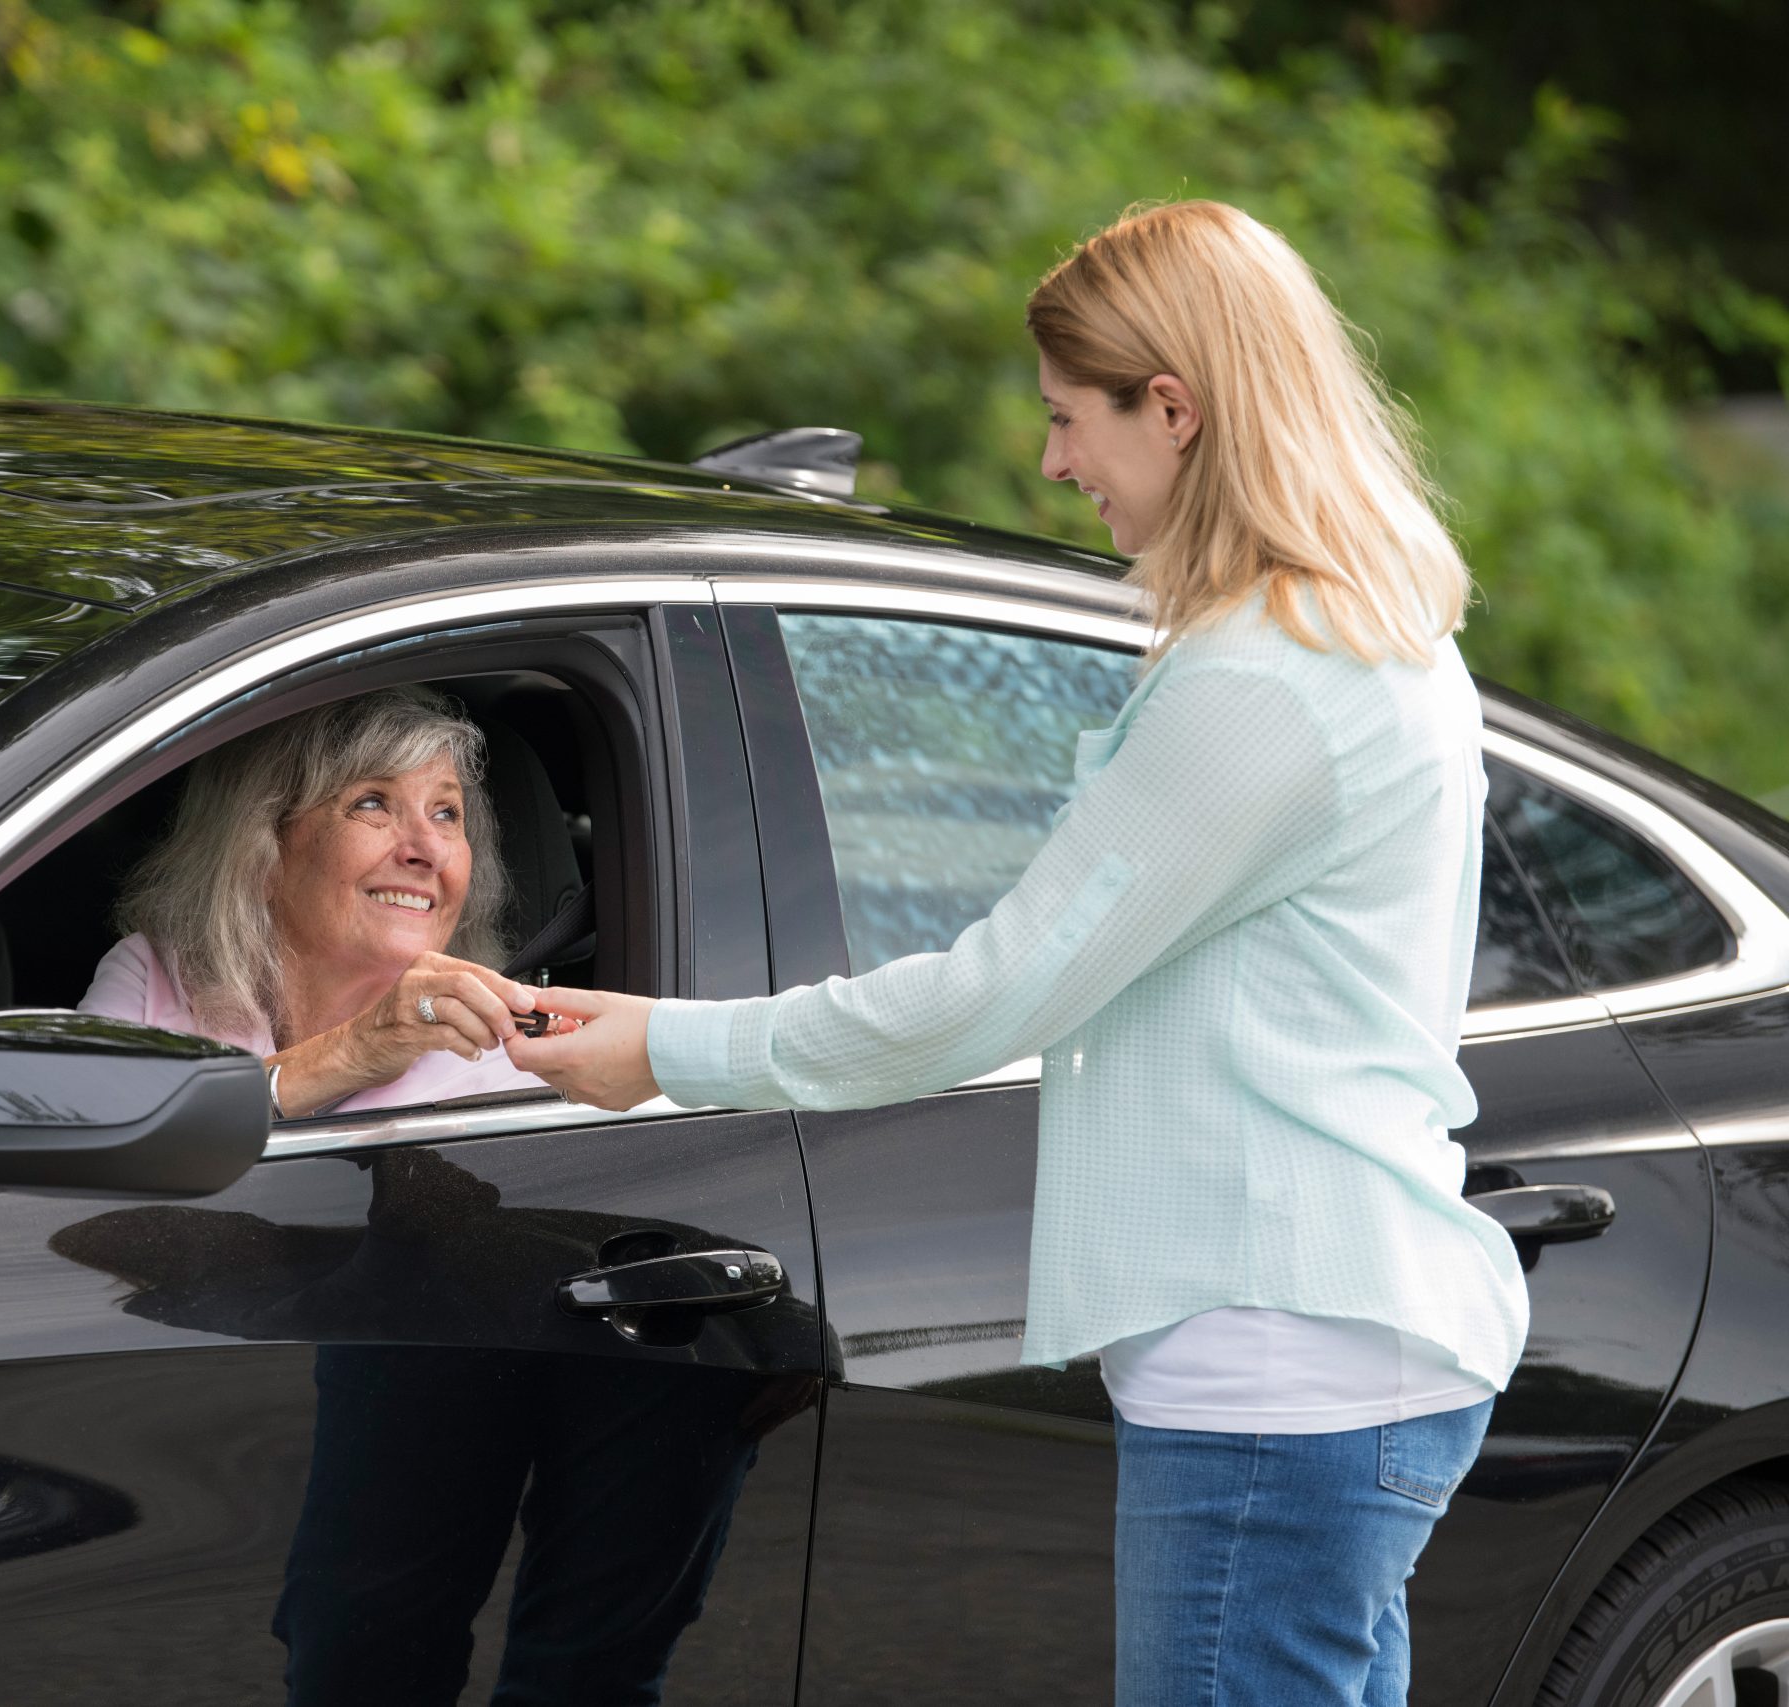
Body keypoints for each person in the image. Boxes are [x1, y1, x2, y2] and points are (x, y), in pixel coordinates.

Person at [509, 199, 1529, 1706]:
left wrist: (665, 1046)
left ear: (1172, 408)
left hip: (1276, 1365)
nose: (1057, 461)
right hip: (1337, 1341)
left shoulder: (1264, 682)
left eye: (1072, 418)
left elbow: (995, 991)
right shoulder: (1374, 637)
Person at [80, 684, 550, 1116]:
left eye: (446, 813)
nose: (430, 851)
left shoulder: (510, 1064)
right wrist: (351, 1053)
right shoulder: (155, 981)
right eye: (372, 803)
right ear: (261, 847)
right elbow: (75, 1149)